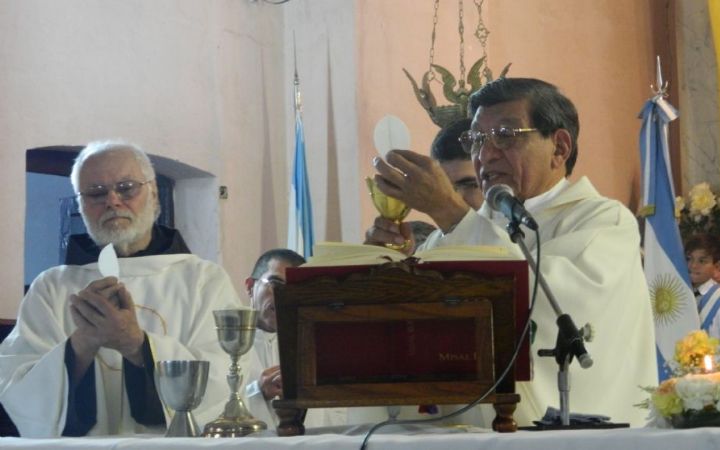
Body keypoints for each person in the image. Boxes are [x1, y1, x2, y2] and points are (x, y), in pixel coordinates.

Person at [372, 77, 657, 426]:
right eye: (476, 140)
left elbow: (543, 296)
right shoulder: (468, 227)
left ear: (560, 148)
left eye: (505, 136)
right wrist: (389, 266)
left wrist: (449, 212)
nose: (485, 154)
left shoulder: (604, 222)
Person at [0, 141, 242, 437]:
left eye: (126, 188)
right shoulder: (52, 288)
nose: (112, 201)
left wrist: (136, 344)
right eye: (96, 193)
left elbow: (226, 377)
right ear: (80, 206)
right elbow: (18, 387)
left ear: (154, 195)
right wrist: (81, 345)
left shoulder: (203, 281)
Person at [245, 249, 346, 429]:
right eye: (276, 284)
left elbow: (336, 418)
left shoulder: (313, 347)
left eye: (295, 290)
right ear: (250, 287)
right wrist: (258, 392)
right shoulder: (221, 341)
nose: (285, 297)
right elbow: (210, 406)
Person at [366, 118, 481, 251]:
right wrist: (394, 264)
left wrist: (446, 210)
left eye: (470, 185)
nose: (454, 196)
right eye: (444, 187)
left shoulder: (507, 240)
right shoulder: (431, 248)